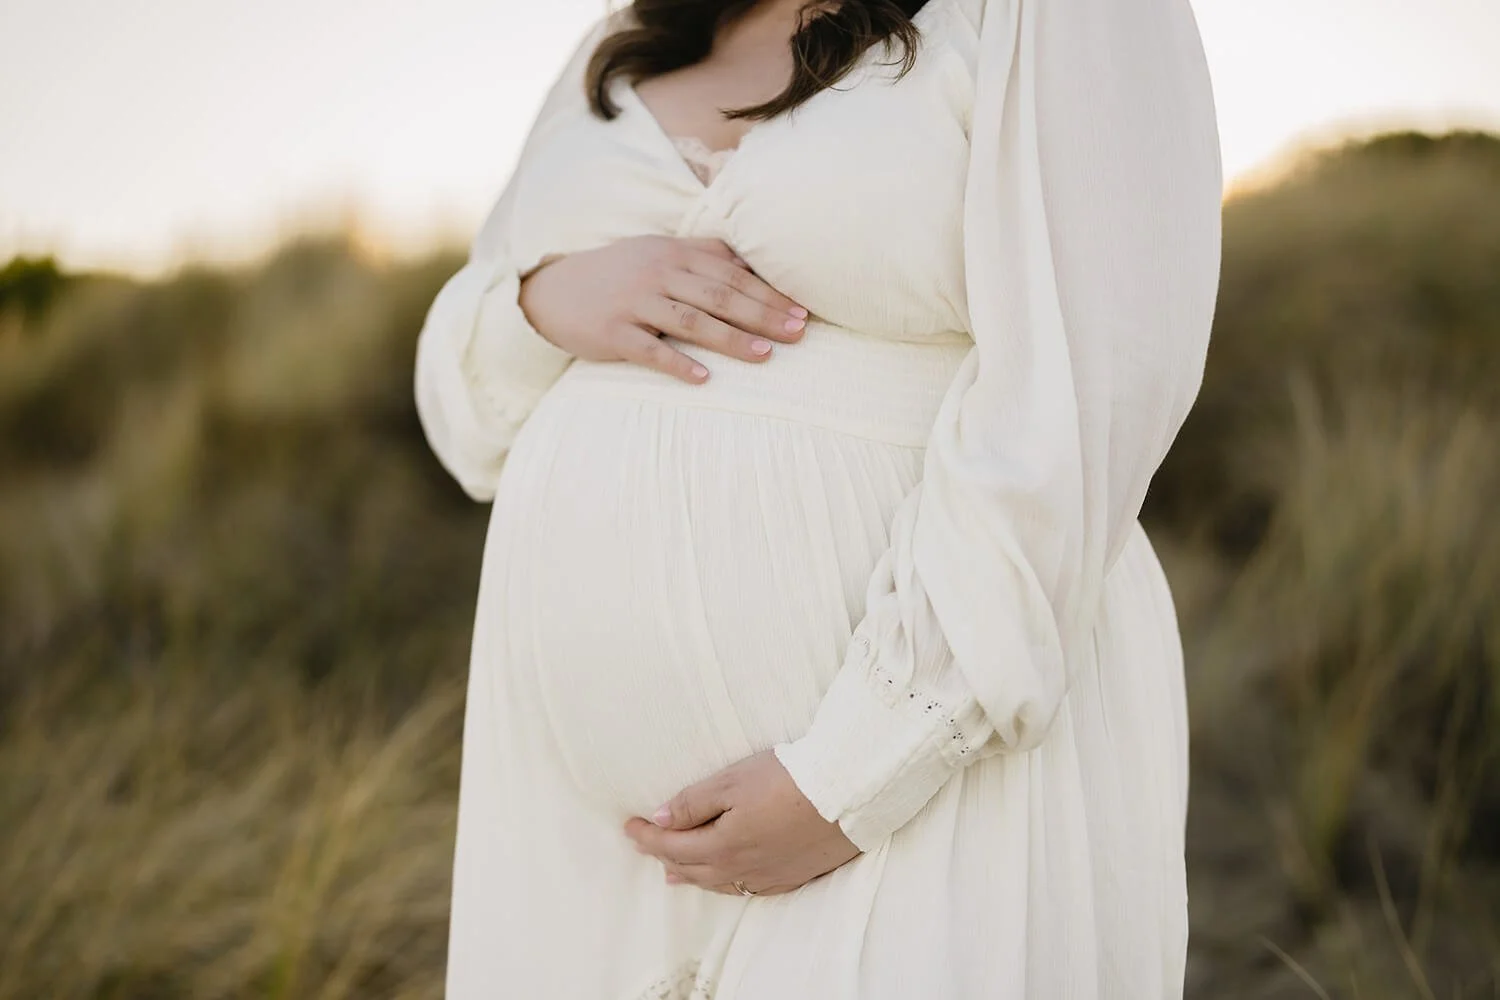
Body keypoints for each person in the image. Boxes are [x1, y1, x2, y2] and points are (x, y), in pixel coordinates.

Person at [413, 0, 1222, 996]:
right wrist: (540, 304)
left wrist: (855, 774)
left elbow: (1087, 392)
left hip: (917, 785)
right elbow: (465, 421)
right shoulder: (624, 37)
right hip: (589, 852)